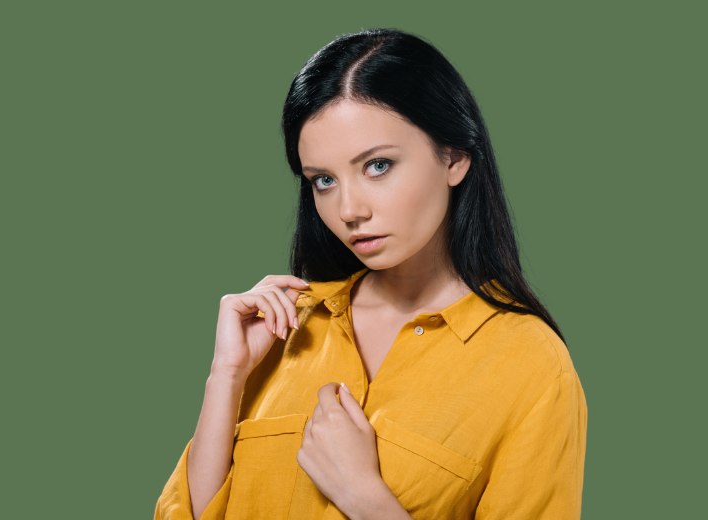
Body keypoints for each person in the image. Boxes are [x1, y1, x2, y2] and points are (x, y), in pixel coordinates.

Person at [154, 28, 588, 520]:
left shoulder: (531, 368)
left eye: (378, 165)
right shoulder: (285, 328)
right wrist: (226, 377)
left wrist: (366, 499)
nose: (349, 209)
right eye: (323, 180)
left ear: (454, 157)